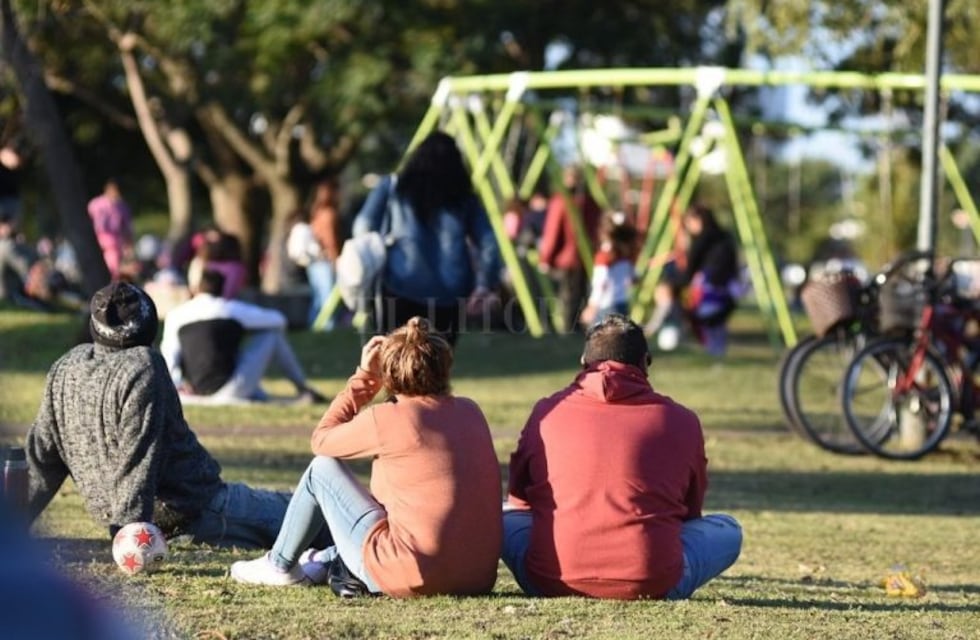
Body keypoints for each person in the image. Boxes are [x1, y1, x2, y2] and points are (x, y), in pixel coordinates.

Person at [21, 282, 323, 549]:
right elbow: (137, 456)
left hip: (151, 521)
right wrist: (130, 534)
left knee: (293, 509)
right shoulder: (143, 366)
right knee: (317, 511)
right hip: (198, 509)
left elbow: (43, 457)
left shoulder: (66, 367)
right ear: (148, 325)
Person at [230, 317, 503, 598]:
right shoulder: (472, 412)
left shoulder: (388, 418)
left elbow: (321, 440)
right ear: (446, 366)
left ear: (390, 374)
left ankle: (279, 564)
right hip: (477, 578)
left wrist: (364, 379)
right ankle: (323, 560)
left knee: (321, 469)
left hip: (411, 576)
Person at [502, 314, 742, 600]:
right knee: (729, 529)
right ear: (646, 363)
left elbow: (519, 500)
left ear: (582, 362)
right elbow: (690, 512)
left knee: (501, 513)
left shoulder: (546, 412)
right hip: (652, 583)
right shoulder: (683, 420)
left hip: (548, 580)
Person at [350, 131, 500, 345]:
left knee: (394, 360)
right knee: (437, 364)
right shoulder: (464, 198)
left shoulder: (394, 188)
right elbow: (488, 242)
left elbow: (362, 226)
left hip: (400, 284)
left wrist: (377, 251)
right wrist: (484, 283)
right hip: (450, 292)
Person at [160, 269, 327, 405]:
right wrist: (247, 327)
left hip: (191, 391)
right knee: (271, 335)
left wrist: (176, 385)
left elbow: (169, 355)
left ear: (196, 288)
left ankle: (264, 392)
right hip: (229, 389)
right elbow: (279, 320)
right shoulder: (230, 309)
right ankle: (302, 387)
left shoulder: (176, 315)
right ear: (223, 290)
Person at [645, 204, 741, 356]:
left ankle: (657, 326)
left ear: (698, 220)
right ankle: (716, 352)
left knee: (666, 292)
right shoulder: (724, 236)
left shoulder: (702, 240)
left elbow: (689, 272)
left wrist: (670, 281)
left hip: (708, 290)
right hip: (728, 289)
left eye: (689, 223)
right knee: (714, 325)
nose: (688, 227)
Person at [538, 165, 602, 333]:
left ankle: (568, 331)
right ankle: (579, 331)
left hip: (567, 260)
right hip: (586, 258)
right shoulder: (590, 202)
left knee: (568, 299)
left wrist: (545, 258)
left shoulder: (561, 201)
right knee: (582, 297)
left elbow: (552, 231)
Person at [287, 178, 344, 329]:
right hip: (325, 260)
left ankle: (315, 326)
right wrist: (335, 260)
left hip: (313, 262)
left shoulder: (315, 212)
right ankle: (328, 327)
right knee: (329, 299)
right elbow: (330, 240)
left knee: (318, 298)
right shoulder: (328, 213)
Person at [579, 212, 637, 327]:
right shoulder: (626, 255)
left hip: (606, 307)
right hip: (623, 305)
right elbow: (634, 279)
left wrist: (591, 307)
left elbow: (601, 284)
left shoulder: (604, 257)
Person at [87, 179, 134, 280]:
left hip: (113, 246)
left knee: (113, 271)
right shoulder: (96, 204)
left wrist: (129, 246)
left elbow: (127, 229)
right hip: (97, 244)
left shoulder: (122, 207)